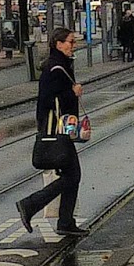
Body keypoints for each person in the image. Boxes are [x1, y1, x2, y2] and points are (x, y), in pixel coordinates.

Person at [16, 28, 88, 238]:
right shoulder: (55, 68)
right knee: (72, 175)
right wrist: (72, 93)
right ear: (58, 44)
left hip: (61, 129)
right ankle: (31, 205)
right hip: (57, 131)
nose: (73, 46)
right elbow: (47, 100)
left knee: (72, 175)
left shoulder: (61, 64)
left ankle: (65, 221)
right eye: (70, 42)